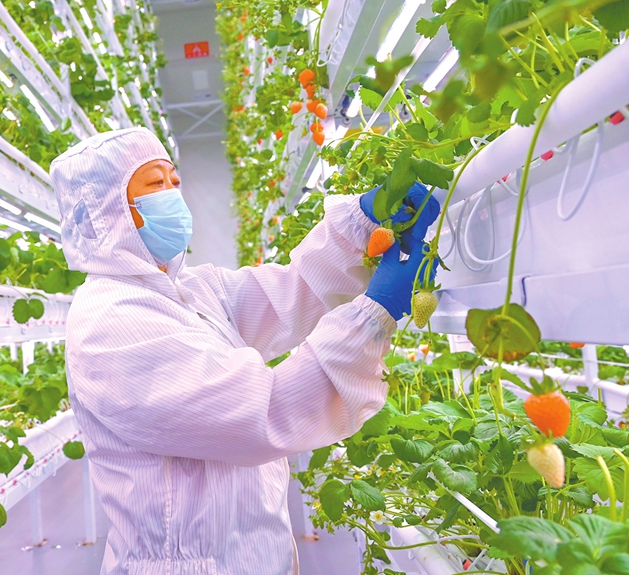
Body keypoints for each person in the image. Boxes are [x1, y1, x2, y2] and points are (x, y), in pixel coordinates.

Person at [49, 127, 439, 575]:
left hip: (247, 553)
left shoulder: (187, 290)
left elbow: (289, 295)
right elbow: (264, 412)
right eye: (154, 184)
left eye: (174, 182)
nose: (172, 194)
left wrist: (362, 225)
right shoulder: (112, 321)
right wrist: (373, 316)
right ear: (109, 211)